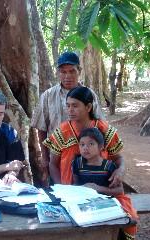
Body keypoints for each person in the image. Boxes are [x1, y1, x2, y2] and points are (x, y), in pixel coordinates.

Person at [31, 51, 104, 186]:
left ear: (79, 71)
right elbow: (41, 128)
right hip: (57, 158)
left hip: (87, 157)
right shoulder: (48, 96)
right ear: (58, 73)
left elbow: (99, 125)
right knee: (61, 193)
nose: (67, 76)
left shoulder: (90, 95)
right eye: (63, 72)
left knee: (87, 193)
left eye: (72, 71)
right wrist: (45, 157)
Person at [44, 86, 124, 186]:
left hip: (103, 194)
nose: (70, 110)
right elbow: (53, 164)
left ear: (88, 107)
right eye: (68, 106)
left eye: (75, 106)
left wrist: (120, 170)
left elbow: (118, 158)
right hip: (71, 195)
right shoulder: (62, 132)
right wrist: (63, 190)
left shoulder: (105, 130)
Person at [72, 127, 138, 240]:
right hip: (84, 203)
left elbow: (119, 191)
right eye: (82, 144)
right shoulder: (77, 163)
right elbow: (76, 185)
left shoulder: (108, 166)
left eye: (91, 144)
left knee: (126, 220)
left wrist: (98, 188)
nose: (85, 148)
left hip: (107, 203)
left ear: (101, 147)